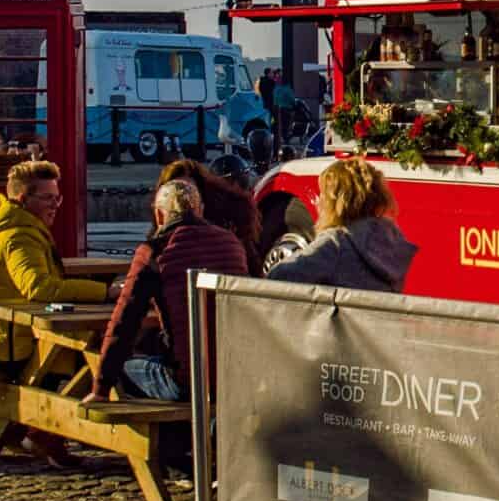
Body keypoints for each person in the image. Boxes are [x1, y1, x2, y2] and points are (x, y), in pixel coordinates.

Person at [92, 178, 249, 403]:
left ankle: (159, 436)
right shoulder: (231, 243)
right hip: (235, 377)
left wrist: (100, 387)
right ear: (200, 210)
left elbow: (125, 322)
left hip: (187, 382)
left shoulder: (156, 251)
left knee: (123, 367)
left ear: (159, 216)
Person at [0, 160, 104, 371]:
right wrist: (105, 292)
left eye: (57, 198)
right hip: (3, 348)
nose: (55, 205)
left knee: (84, 349)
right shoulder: (19, 235)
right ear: (24, 199)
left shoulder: (3, 226)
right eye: (47, 198)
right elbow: (40, 288)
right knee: (92, 352)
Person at [266, 160, 416, 292]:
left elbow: (279, 276)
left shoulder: (336, 243)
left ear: (336, 200)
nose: (320, 201)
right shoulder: (392, 238)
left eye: (323, 194)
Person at [157, 156, 259, 270]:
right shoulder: (157, 247)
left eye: (189, 193)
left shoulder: (227, 226)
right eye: (173, 195)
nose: (182, 202)